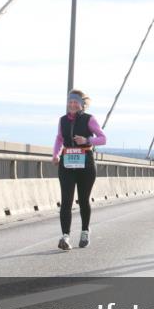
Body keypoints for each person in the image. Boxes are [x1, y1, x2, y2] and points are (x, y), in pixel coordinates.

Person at [51, 89, 107, 250]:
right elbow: (59, 138)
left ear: (82, 105)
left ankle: (84, 231)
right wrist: (55, 155)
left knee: (83, 200)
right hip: (67, 163)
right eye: (70, 102)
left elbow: (103, 139)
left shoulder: (89, 120)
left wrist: (87, 139)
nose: (72, 105)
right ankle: (65, 237)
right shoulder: (62, 120)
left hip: (86, 164)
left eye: (76, 102)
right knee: (66, 201)